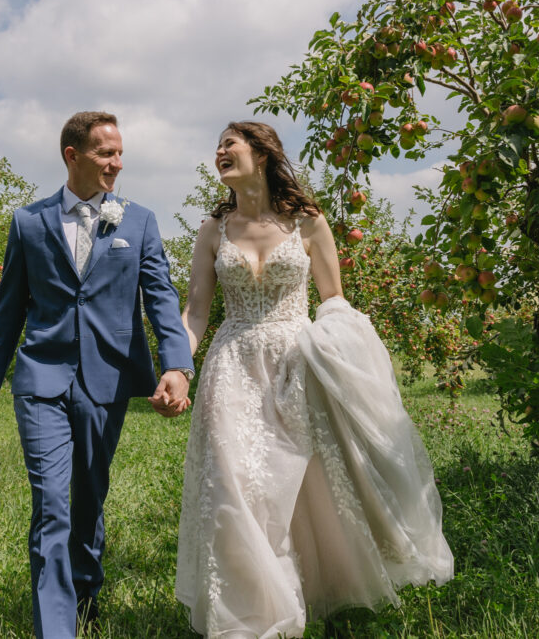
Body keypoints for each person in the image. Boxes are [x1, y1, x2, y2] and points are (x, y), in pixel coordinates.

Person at [174, 121, 454, 638]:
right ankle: (254, 615)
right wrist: (178, 366)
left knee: (301, 486)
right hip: (232, 361)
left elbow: (333, 299)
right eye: (216, 147)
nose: (219, 153)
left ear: (262, 153)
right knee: (234, 481)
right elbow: (194, 312)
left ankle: (310, 590)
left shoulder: (307, 223)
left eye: (229, 145)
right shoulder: (213, 230)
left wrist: (346, 359)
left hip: (296, 362)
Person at [0, 111, 194, 639]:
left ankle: (86, 594)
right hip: (41, 379)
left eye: (119, 153)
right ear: (73, 155)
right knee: (51, 506)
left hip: (108, 380)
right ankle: (57, 629)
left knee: (89, 499)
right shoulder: (29, 222)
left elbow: (161, 297)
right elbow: (8, 313)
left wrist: (177, 365)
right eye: (105, 153)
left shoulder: (138, 222)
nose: (117, 163)